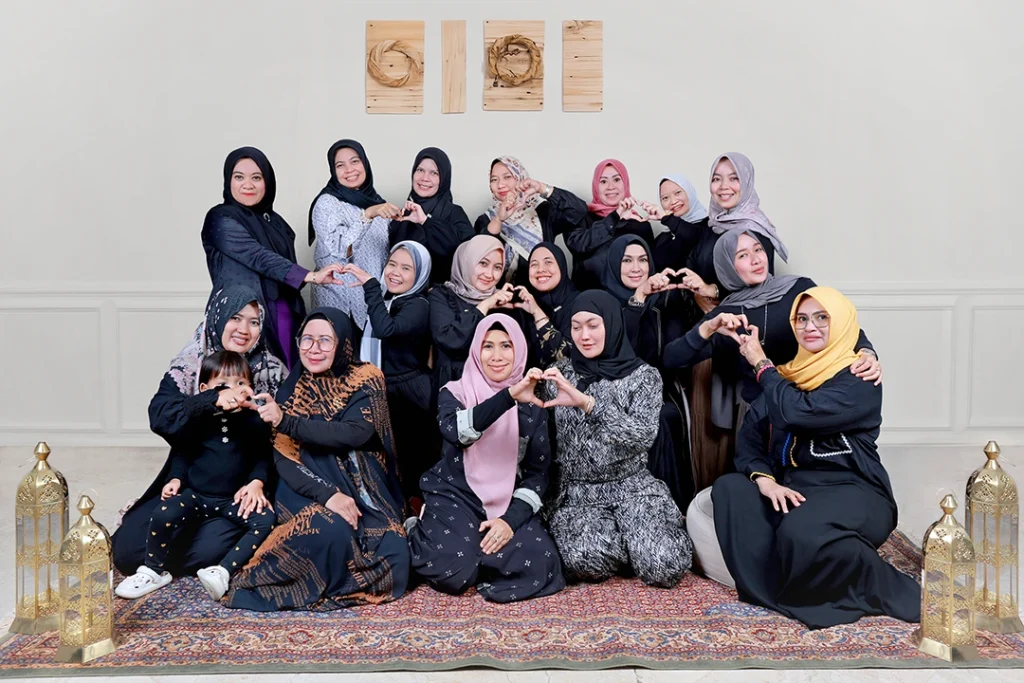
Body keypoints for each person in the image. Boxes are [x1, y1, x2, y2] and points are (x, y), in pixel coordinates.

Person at [712, 287, 921, 629]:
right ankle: (773, 591)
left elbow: (798, 412)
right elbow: (750, 441)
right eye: (802, 319)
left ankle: (877, 585)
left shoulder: (859, 378)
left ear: (838, 323)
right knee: (730, 489)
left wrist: (761, 364)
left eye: (822, 317)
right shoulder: (787, 375)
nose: (810, 326)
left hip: (855, 490)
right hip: (795, 491)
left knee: (799, 530)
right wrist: (765, 482)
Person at [225, 307, 409, 611]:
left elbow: (356, 433)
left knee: (395, 552)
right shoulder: (294, 386)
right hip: (305, 485)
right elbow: (283, 457)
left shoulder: (366, 378)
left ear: (343, 344)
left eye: (325, 340)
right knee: (330, 530)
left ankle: (330, 586)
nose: (313, 348)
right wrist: (328, 495)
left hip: (360, 486)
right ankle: (273, 584)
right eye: (306, 339)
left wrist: (286, 421)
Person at [112, 286, 286, 577]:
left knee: (206, 550)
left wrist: (258, 478)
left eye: (254, 322)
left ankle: (205, 554)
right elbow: (161, 417)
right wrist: (212, 398)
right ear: (218, 317)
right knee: (129, 552)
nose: (244, 329)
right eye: (235, 318)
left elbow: (283, 438)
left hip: (243, 487)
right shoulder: (191, 365)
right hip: (192, 479)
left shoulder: (273, 370)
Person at [408, 314, 565, 602]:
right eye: (487, 346)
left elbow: (537, 474)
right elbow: (457, 433)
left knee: (543, 562)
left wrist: (509, 522)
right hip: (456, 493)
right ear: (475, 351)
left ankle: (476, 550)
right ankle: (421, 529)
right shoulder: (454, 392)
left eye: (506, 346)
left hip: (506, 497)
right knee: (453, 571)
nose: (497, 356)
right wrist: (509, 397)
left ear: (519, 349)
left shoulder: (533, 405)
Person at [543, 291, 693, 588]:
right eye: (576, 327)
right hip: (578, 494)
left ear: (611, 325)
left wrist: (589, 404)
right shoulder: (559, 376)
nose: (584, 336)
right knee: (585, 559)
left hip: (631, 487)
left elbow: (642, 436)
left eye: (593, 325)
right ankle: (624, 541)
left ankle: (636, 537)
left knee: (666, 565)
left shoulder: (643, 376)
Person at [114, 350, 274, 601]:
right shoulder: (199, 419)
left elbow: (262, 455)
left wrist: (256, 483)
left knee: (265, 520)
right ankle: (153, 570)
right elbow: (182, 453)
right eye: (223, 384)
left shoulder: (254, 420)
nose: (234, 390)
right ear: (205, 390)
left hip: (232, 500)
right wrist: (175, 479)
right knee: (163, 512)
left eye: (241, 383)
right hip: (196, 496)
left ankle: (222, 571)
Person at [201, 147, 342, 368]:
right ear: (229, 180)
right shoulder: (219, 218)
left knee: (285, 376)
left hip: (283, 311)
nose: (248, 185)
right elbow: (257, 256)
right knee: (240, 377)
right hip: (241, 316)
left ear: (267, 182)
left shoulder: (275, 222)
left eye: (256, 178)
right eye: (239, 177)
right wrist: (311, 276)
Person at [600, 234, 695, 509]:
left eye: (642, 260)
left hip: (659, 392)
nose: (636, 268)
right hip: (614, 393)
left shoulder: (664, 302)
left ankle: (671, 508)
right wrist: (638, 298)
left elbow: (674, 357)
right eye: (627, 260)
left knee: (664, 417)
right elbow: (620, 355)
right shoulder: (602, 303)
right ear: (614, 264)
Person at [341, 241, 437, 503]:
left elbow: (387, 330)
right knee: (390, 460)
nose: (395, 272)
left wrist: (371, 286)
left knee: (412, 459)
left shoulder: (418, 304)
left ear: (420, 274)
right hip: (387, 387)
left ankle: (418, 510)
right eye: (392, 264)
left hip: (409, 393)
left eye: (406, 268)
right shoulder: (391, 299)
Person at [309, 139, 398, 330]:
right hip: (340, 303)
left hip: (373, 302)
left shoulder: (376, 202)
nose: (349, 170)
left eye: (355, 161)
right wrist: (367, 216)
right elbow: (341, 249)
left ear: (365, 163)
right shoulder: (327, 203)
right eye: (340, 165)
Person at [430, 234, 534, 387]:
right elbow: (449, 340)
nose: (489, 274)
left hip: (496, 388)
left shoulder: (505, 301)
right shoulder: (442, 295)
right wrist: (485, 305)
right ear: (467, 261)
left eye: (497, 267)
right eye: (483, 263)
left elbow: (520, 355)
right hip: (454, 385)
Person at [474, 156, 587, 285]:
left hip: (542, 292)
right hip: (500, 294)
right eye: (494, 180)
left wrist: (542, 188)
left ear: (520, 177)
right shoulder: (486, 220)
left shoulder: (542, 211)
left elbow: (579, 210)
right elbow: (476, 258)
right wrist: (499, 218)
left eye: (507, 177)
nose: (500, 185)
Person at [388, 147, 474, 286]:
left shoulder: (454, 213)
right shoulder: (403, 215)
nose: (425, 178)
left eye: (434, 173)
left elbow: (468, 255)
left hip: (441, 294)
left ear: (444, 178)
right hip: (401, 294)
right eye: (420, 170)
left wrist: (425, 221)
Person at [565, 159, 655, 290]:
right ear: (596, 186)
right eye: (603, 181)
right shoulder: (582, 217)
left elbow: (649, 268)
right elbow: (578, 246)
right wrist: (615, 216)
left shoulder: (640, 223)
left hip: (631, 298)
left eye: (617, 179)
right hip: (590, 297)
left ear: (625, 183)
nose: (610, 187)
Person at [522, 242, 578, 364]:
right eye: (534, 264)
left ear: (561, 266)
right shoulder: (523, 304)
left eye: (548, 262)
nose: (541, 269)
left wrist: (537, 312)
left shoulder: (579, 304)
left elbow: (567, 356)